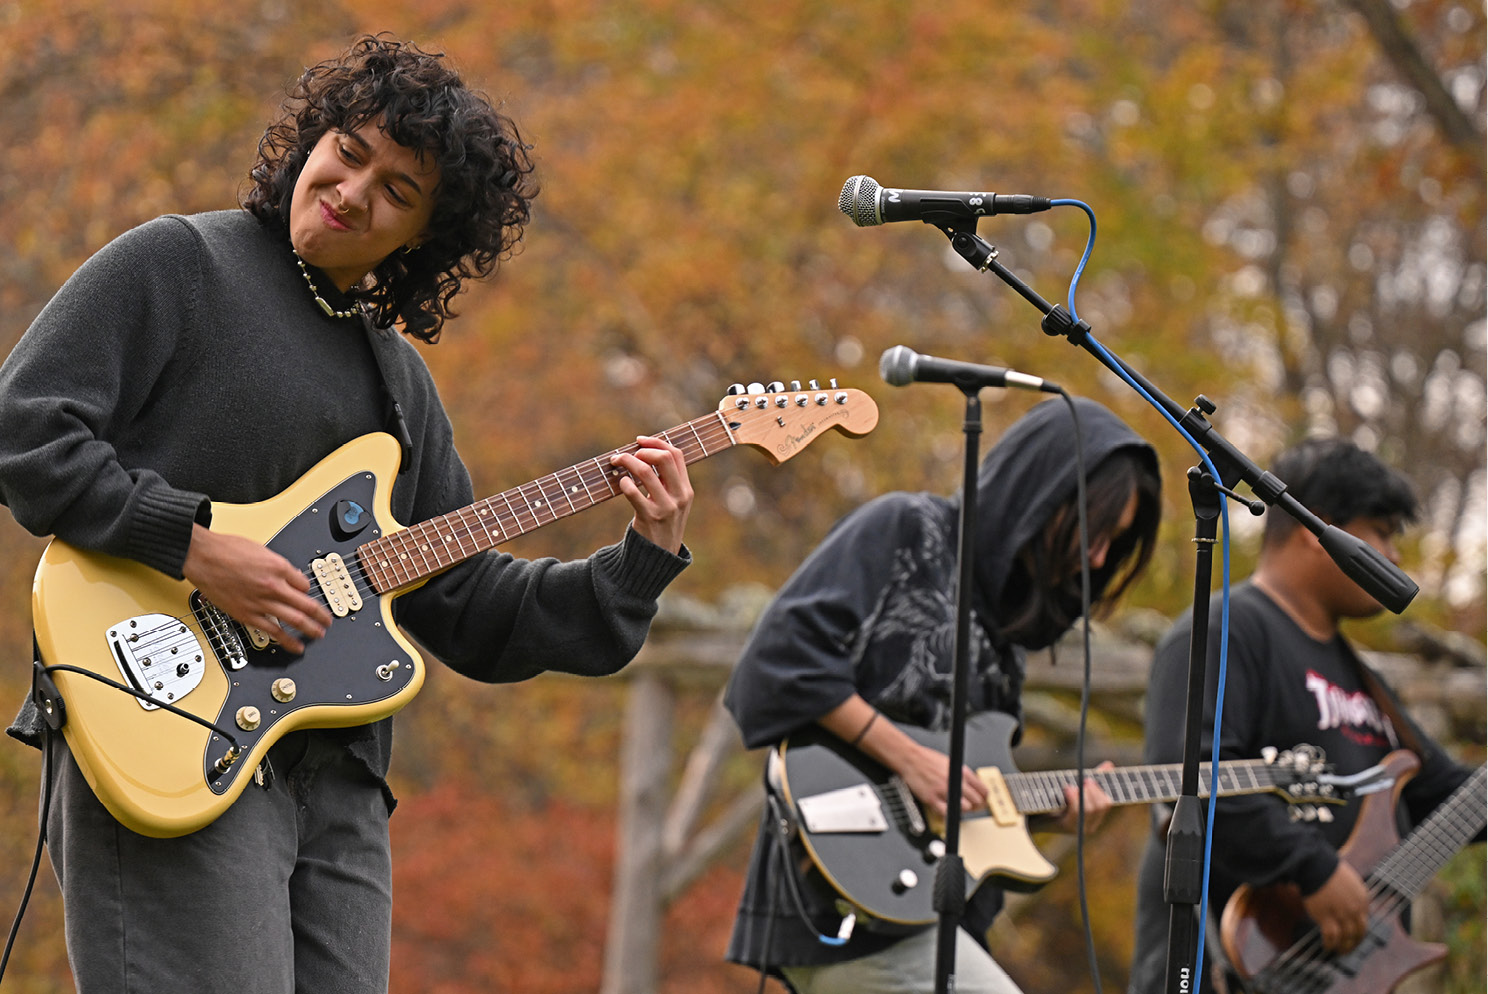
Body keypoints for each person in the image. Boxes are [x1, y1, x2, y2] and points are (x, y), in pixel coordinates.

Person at [0, 35, 694, 994]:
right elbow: (22, 431)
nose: (355, 188)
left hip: (340, 786)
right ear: (309, 141)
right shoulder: (178, 265)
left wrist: (639, 561)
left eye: (399, 192)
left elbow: (470, 609)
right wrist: (198, 550)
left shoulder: (397, 382)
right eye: (350, 150)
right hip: (169, 721)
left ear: (425, 240)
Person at [724, 396, 1164, 994]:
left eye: (1113, 543)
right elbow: (774, 664)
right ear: (1043, 493)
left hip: (929, 914)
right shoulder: (906, 530)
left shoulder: (1009, 627)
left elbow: (958, 805)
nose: (1097, 558)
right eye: (1094, 531)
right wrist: (907, 757)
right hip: (839, 903)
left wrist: (1048, 820)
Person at [1126, 438, 1479, 994]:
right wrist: (1310, 868)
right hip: (1219, 971)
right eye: (1382, 532)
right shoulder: (1225, 630)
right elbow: (1187, 776)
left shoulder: (1364, 681)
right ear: (1321, 532)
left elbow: (1453, 800)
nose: (1394, 557)